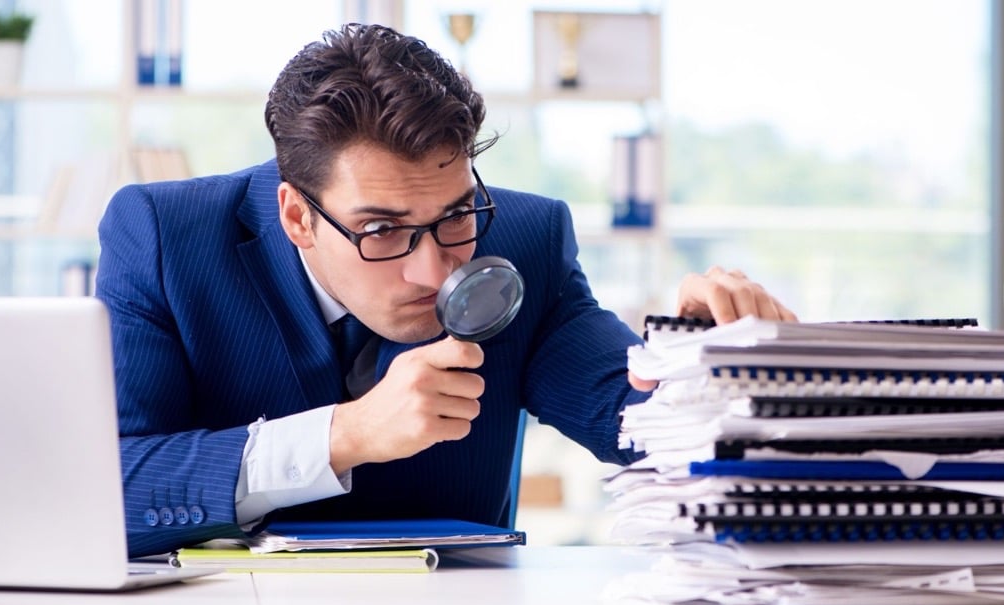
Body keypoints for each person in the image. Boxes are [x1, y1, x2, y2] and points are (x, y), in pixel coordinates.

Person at [95, 23, 796, 558]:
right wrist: (346, 435)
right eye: (382, 229)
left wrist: (704, 358)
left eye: (456, 215)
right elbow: (110, 489)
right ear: (296, 217)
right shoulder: (164, 237)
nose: (435, 274)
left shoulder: (528, 238)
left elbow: (640, 423)